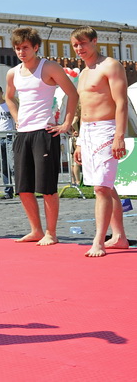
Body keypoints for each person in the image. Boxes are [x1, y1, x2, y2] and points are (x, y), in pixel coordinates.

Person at [5, 27, 78, 246]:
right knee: (23, 188)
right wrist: (16, 117)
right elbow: (9, 97)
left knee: (47, 188)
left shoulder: (49, 67)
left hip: (45, 132)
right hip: (23, 133)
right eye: (17, 48)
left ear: (36, 47)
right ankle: (35, 230)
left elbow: (72, 93)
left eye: (25, 47)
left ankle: (51, 233)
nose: (21, 52)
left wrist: (66, 123)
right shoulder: (13, 73)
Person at [71, 26, 130, 257]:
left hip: (107, 129)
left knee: (101, 188)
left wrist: (119, 136)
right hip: (87, 132)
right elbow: (83, 107)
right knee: (106, 185)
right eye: (75, 45)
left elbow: (121, 102)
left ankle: (99, 241)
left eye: (83, 43)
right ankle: (120, 237)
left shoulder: (111, 65)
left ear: (94, 41)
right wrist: (79, 142)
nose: (79, 48)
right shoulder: (83, 72)